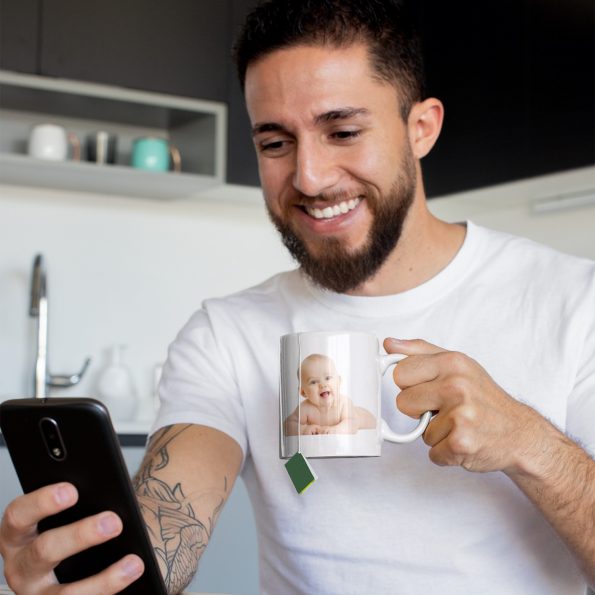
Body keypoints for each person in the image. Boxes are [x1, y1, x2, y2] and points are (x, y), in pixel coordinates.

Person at [1, 0, 594, 593]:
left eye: (343, 131)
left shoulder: (574, 301)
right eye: (276, 143)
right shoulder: (226, 334)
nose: (309, 177)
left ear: (422, 128)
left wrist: (529, 442)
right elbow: (172, 510)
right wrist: (105, 572)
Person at [283, 353, 377, 435]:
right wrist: (303, 430)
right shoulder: (305, 408)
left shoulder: (344, 403)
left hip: (369, 421)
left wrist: (336, 430)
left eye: (328, 378)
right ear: (303, 392)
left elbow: (352, 423)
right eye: (313, 382)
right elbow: (287, 425)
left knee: (364, 418)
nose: (322, 385)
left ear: (339, 381)